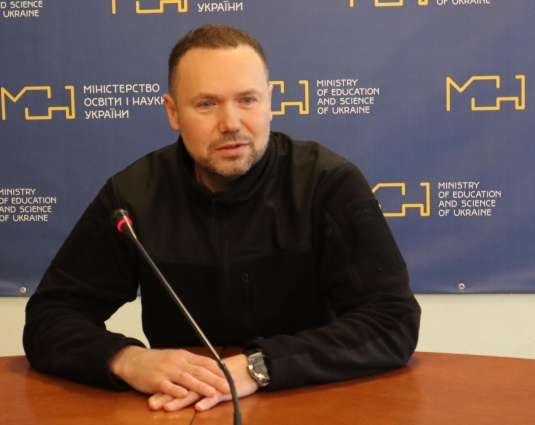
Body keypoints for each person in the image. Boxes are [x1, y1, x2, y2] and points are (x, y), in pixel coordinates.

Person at [23, 24, 421, 413]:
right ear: (173, 112)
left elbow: (392, 321)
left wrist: (259, 367)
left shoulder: (328, 183)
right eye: (206, 104)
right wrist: (128, 360)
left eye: (247, 100)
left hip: (308, 401)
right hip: (181, 409)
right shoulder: (132, 196)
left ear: (270, 101)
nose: (231, 123)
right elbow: (49, 318)